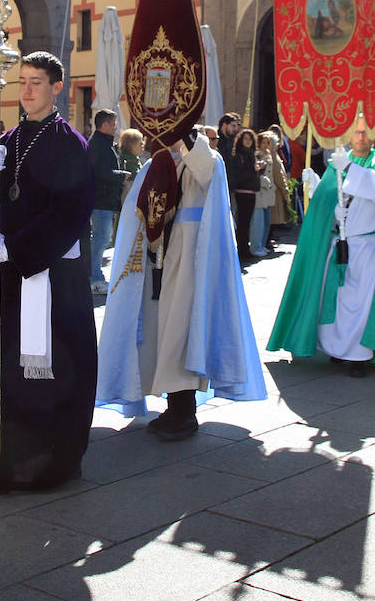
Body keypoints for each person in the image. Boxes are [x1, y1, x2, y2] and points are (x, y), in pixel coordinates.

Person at [0, 52, 96, 503]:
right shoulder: (4, 140)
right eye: (22, 81)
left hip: (51, 276)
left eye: (36, 82)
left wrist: (17, 246)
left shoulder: (71, 143)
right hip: (7, 277)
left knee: (52, 371)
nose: (26, 90)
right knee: (3, 367)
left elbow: (71, 212)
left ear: (56, 87)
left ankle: (51, 462)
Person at [97, 126, 267, 438]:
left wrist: (185, 141)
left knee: (182, 331)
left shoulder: (207, 158)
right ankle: (171, 405)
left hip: (190, 258)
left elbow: (205, 172)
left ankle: (184, 410)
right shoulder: (155, 164)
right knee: (160, 332)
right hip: (156, 259)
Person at [266, 116, 375, 376]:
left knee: (359, 302)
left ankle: (359, 356)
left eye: (365, 132)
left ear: (373, 135)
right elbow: (331, 201)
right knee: (334, 298)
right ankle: (337, 350)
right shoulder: (337, 162)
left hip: (366, 246)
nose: (360, 137)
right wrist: (316, 185)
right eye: (356, 132)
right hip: (339, 243)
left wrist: (349, 167)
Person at [86, 109, 129, 294]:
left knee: (102, 238)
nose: (115, 127)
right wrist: (123, 175)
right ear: (104, 125)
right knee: (101, 238)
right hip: (100, 200)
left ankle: (94, 274)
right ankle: (94, 276)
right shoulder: (99, 145)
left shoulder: (103, 143)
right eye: (113, 123)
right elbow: (102, 172)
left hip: (103, 200)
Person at [229, 128, 262, 265]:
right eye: (245, 139)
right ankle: (241, 250)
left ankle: (245, 248)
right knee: (242, 223)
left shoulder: (252, 155)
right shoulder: (239, 156)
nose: (248, 142)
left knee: (247, 223)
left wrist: (260, 169)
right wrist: (253, 170)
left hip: (251, 191)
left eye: (250, 139)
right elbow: (238, 175)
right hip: (242, 191)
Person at [250, 133, 277, 257]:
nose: (265, 145)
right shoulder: (257, 155)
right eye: (263, 142)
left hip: (269, 191)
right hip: (260, 190)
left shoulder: (268, 155)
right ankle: (256, 245)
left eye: (267, 143)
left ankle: (262, 244)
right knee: (258, 222)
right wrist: (264, 181)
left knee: (266, 221)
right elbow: (257, 173)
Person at [118, 127, 145, 200]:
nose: (143, 146)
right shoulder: (128, 162)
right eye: (140, 143)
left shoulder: (135, 159)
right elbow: (137, 179)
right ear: (132, 145)